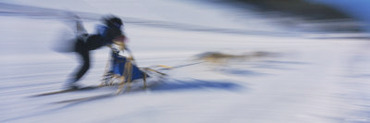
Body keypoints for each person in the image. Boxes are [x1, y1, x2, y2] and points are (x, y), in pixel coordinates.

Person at [66, 15, 127, 89]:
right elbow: (118, 36)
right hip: (82, 45)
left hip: (83, 43)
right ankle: (71, 83)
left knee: (86, 65)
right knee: (86, 65)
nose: (120, 28)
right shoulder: (111, 31)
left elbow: (112, 38)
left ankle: (72, 82)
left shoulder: (106, 29)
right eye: (119, 26)